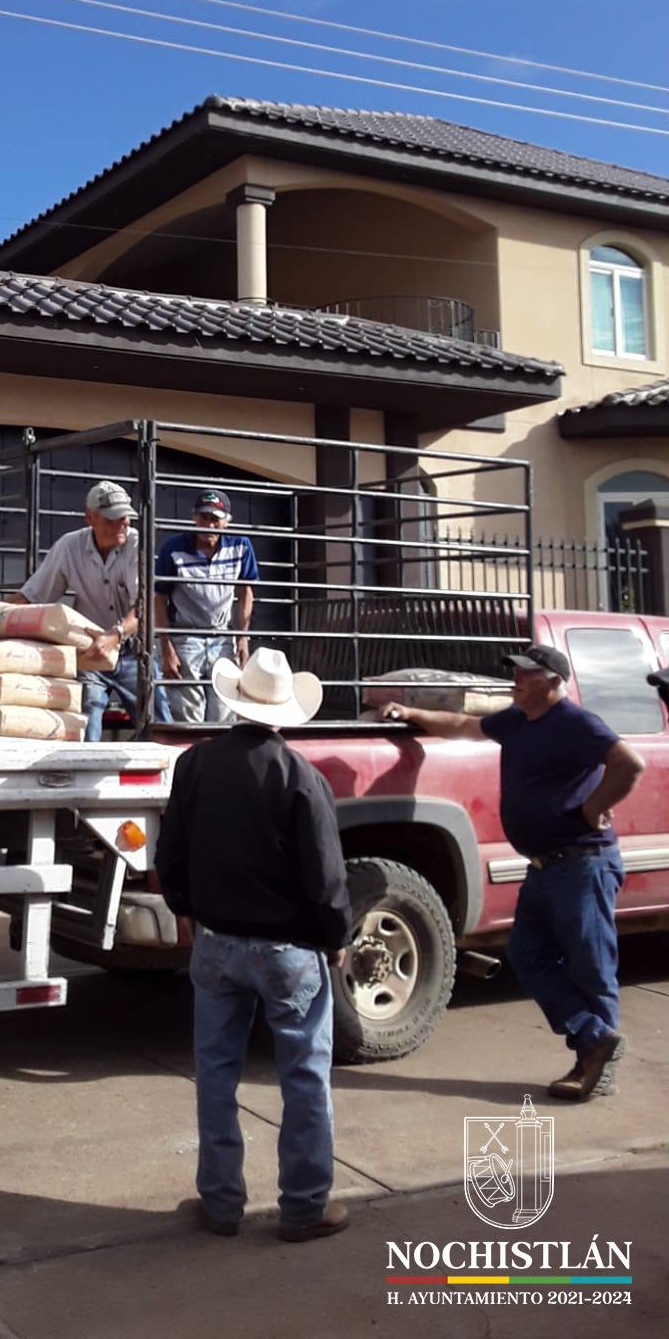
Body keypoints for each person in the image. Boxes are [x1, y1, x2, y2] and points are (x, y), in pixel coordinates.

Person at [382, 643, 645, 1101]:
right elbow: (465, 725)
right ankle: (592, 1038)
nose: (516, 679)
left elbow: (629, 763)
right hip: (544, 868)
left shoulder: (575, 723)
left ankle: (595, 1067)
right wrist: (410, 711)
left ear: (553, 682)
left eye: (526, 673)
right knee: (525, 954)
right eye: (516, 672)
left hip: (583, 863)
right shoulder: (518, 720)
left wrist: (594, 807)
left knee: (591, 967)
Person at [155, 647, 352, 1242]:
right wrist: (336, 937)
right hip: (288, 952)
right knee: (303, 1077)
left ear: (234, 703)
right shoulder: (301, 777)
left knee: (215, 1073)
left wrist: (185, 910)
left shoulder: (195, 765)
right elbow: (326, 876)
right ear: (285, 711)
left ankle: (220, 1204)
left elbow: (172, 855)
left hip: (215, 944)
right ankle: (305, 1206)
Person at [11, 479, 169, 740]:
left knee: (158, 718)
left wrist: (115, 635)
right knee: (84, 724)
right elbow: (34, 595)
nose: (122, 524)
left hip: (132, 651)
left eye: (125, 518)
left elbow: (141, 605)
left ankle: (168, 773)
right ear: (89, 518)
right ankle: (85, 770)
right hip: (89, 651)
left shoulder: (136, 544)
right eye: (112, 519)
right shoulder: (68, 546)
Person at [155, 489, 259, 723]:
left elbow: (245, 593)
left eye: (215, 518)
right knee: (188, 713)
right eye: (204, 517)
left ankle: (216, 757)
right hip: (185, 636)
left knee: (224, 709)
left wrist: (243, 637)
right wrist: (166, 646)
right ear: (194, 518)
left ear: (226, 522)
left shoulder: (241, 546)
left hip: (222, 635)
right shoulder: (173, 548)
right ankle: (193, 756)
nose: (208, 525)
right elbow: (159, 599)